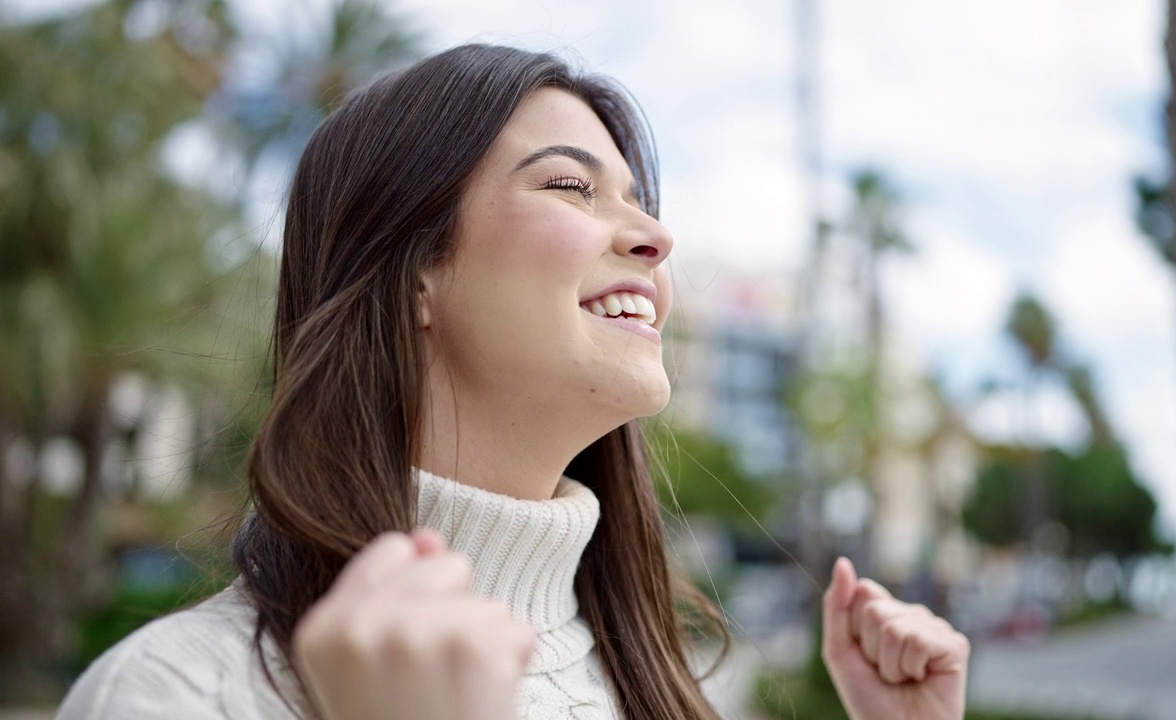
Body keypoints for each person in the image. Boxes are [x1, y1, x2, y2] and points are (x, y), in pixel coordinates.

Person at [56, 43, 969, 720]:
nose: (655, 237)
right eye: (571, 187)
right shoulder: (173, 695)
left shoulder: (668, 683)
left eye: (639, 200)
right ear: (413, 269)